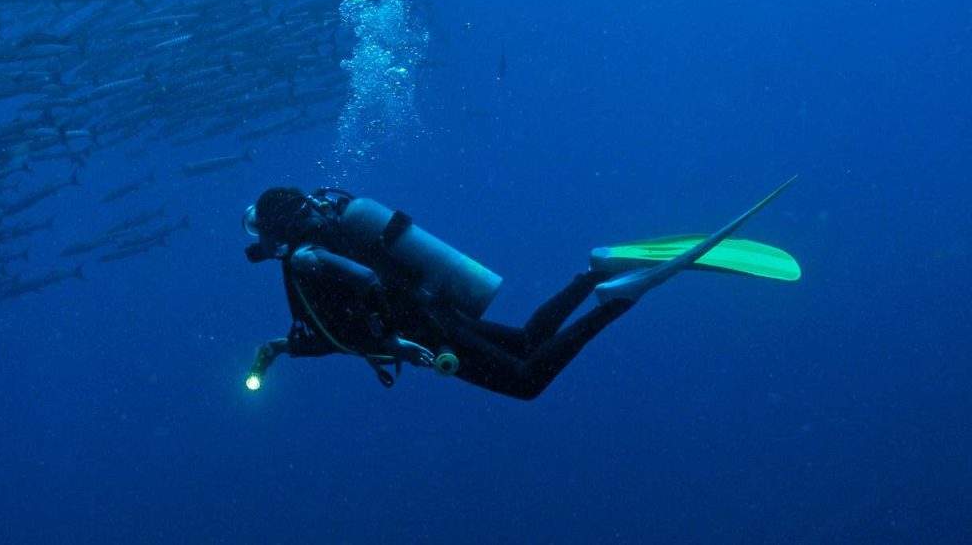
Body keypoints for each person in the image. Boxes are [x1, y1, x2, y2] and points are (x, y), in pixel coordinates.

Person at [242, 180, 797, 399]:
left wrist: (395, 343)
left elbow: (363, 288)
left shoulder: (308, 261)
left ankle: (614, 300)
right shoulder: (327, 238)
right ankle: (592, 273)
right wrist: (277, 351)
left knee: (527, 381)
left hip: (423, 332)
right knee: (529, 337)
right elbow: (325, 332)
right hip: (431, 312)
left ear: (277, 232)